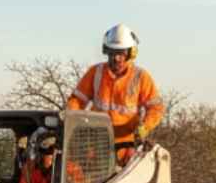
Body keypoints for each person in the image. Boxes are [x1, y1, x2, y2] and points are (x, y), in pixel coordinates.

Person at [66, 23, 164, 161]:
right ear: (106, 51)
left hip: (126, 146)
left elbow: (156, 108)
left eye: (121, 53)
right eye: (113, 53)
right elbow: (76, 100)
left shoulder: (141, 77)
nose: (116, 58)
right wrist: (73, 119)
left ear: (131, 53)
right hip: (96, 144)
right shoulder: (96, 73)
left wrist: (145, 126)